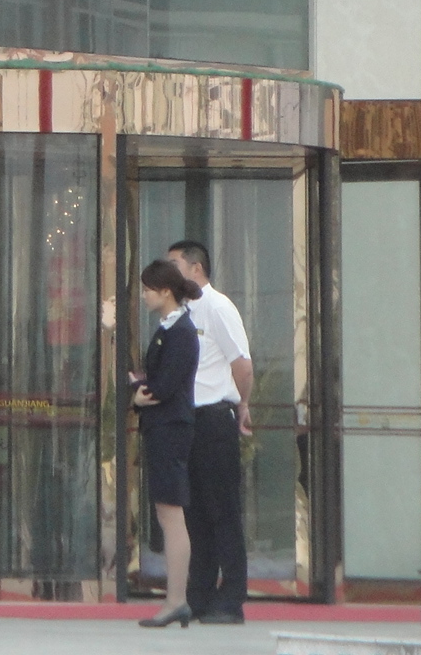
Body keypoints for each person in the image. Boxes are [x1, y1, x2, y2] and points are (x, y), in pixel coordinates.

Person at [169, 239, 252, 626]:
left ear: (196, 268)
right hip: (187, 420)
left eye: (175, 264)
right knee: (195, 513)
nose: (170, 272)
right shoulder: (181, 311)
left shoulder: (218, 307)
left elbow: (242, 364)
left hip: (215, 418)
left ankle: (232, 597)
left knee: (223, 511)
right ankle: (199, 595)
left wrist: (243, 404)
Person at [131, 259, 202, 630]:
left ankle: (176, 600)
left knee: (172, 515)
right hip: (163, 427)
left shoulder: (181, 332)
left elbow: (164, 386)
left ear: (165, 291)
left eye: (148, 290)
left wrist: (140, 392)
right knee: (166, 513)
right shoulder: (168, 328)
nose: (144, 296)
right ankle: (175, 600)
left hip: (171, 428)